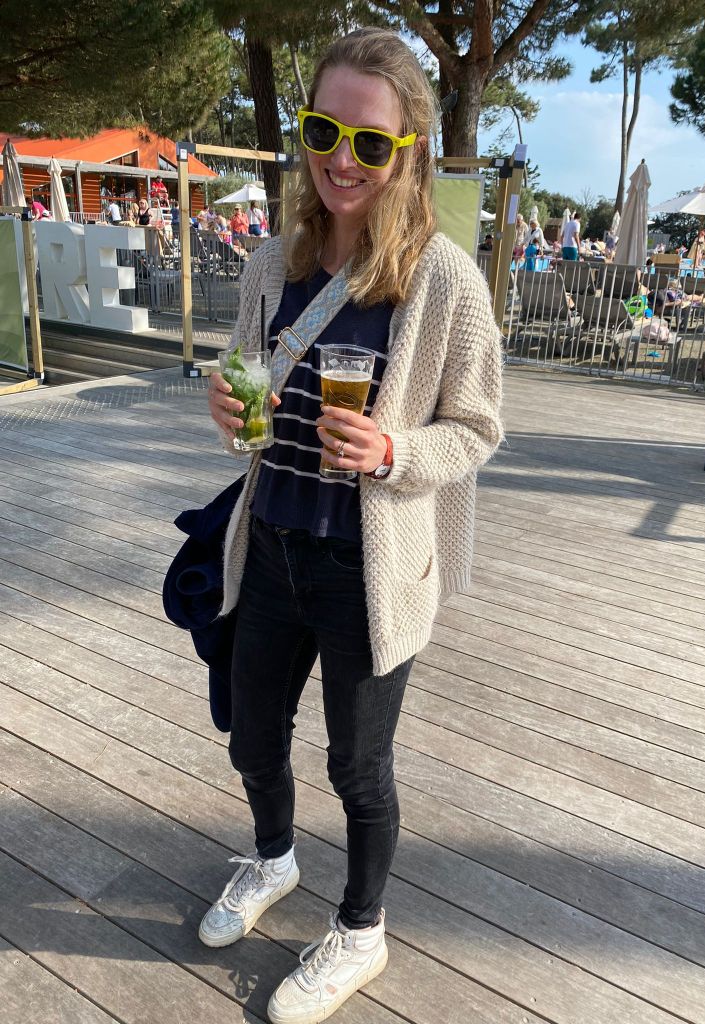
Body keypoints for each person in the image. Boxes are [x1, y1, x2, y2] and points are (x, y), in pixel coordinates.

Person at [204, 26, 503, 1024]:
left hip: (367, 570)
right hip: (271, 545)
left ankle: (362, 929)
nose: (343, 159)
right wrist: (226, 411)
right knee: (253, 736)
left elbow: (477, 428)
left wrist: (390, 451)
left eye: (370, 142)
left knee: (357, 767)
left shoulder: (444, 281)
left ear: (408, 152)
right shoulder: (269, 264)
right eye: (324, 131)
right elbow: (246, 386)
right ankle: (272, 858)